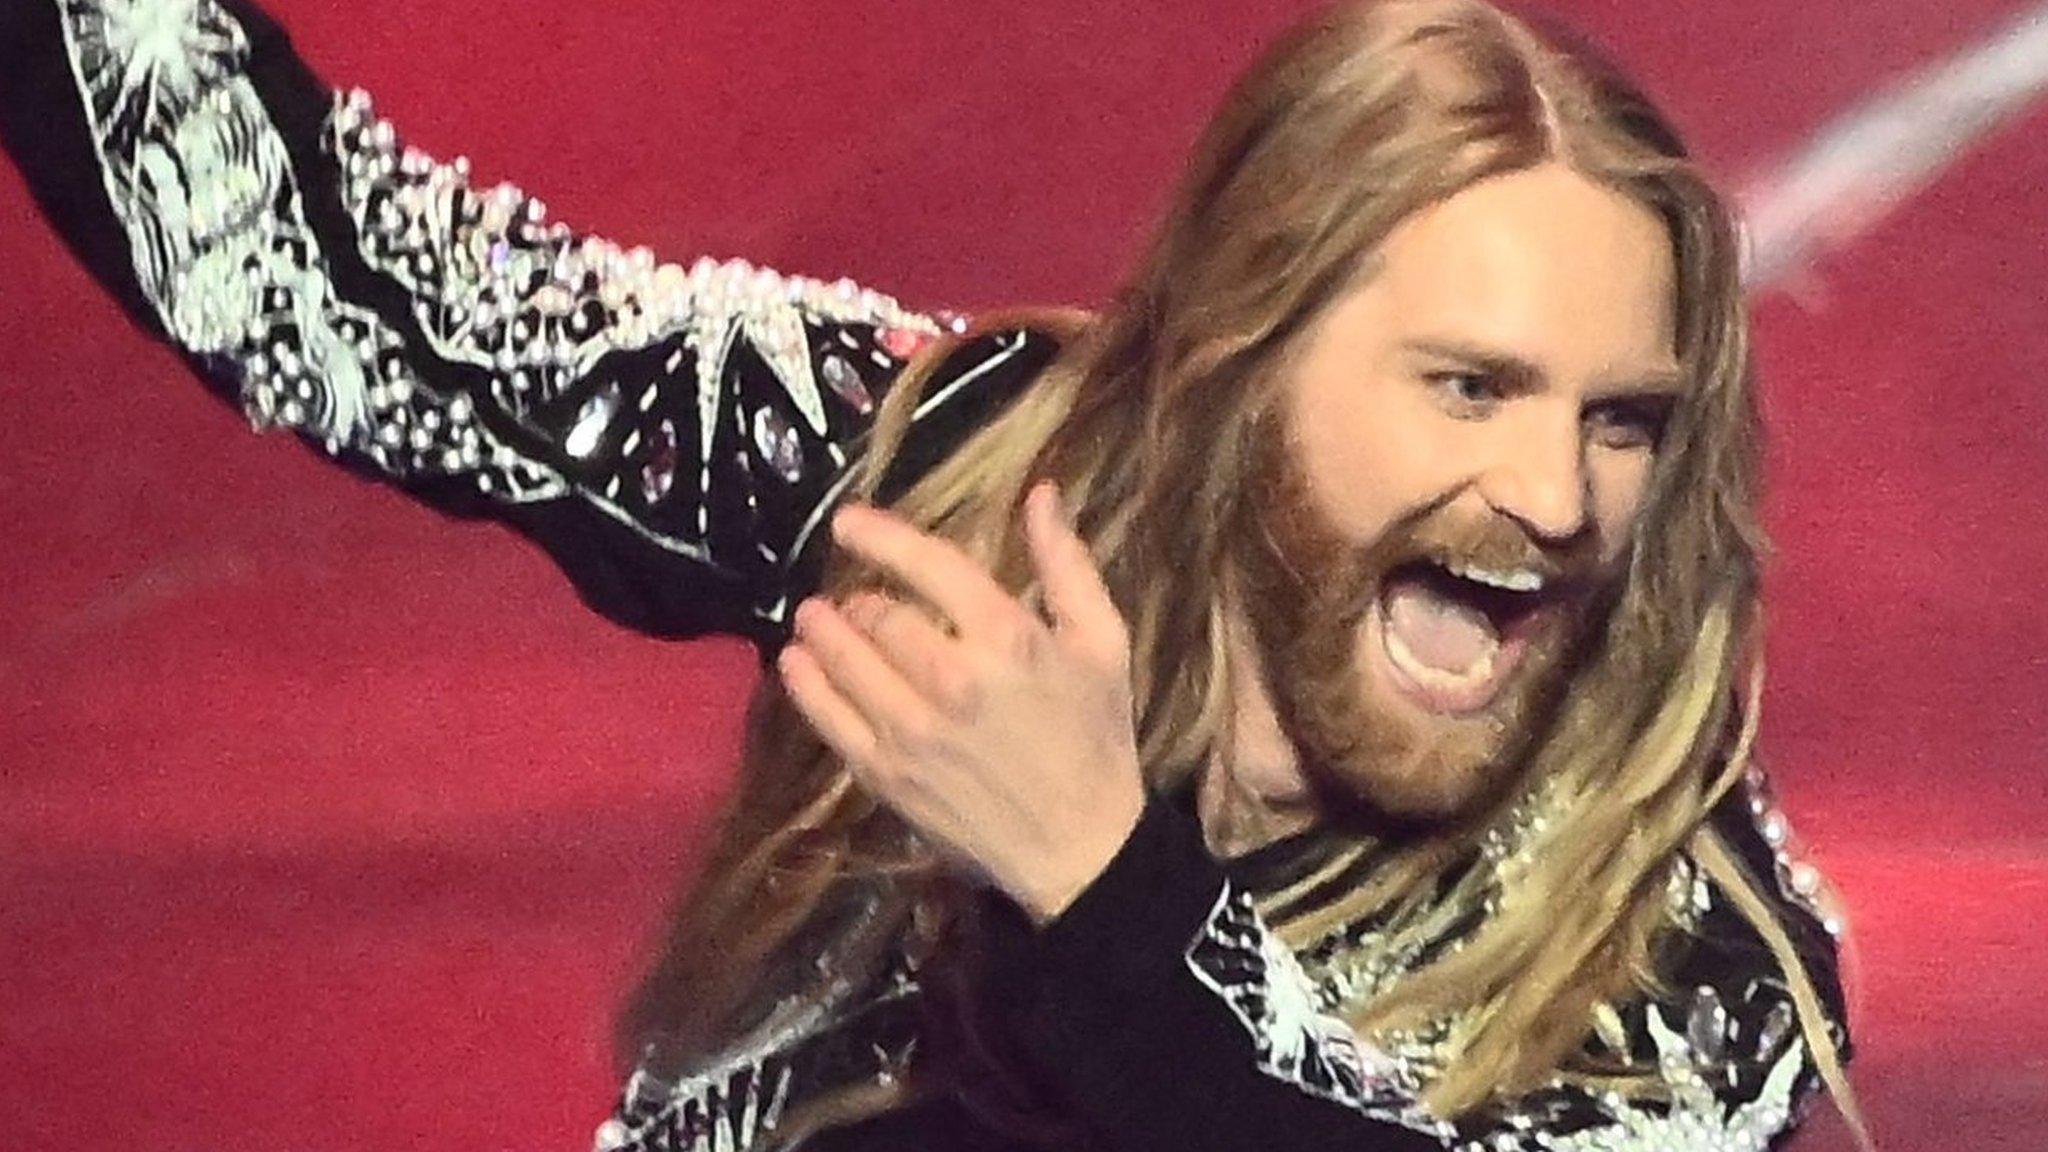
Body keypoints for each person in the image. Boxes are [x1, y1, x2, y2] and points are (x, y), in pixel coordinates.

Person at [1, 0, 1865, 1149]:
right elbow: (322, 271)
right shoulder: (940, 473)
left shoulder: (1693, 931)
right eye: (1472, 387)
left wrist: (1114, 897)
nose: (1555, 494)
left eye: (1625, 420)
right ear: (1243, 345)